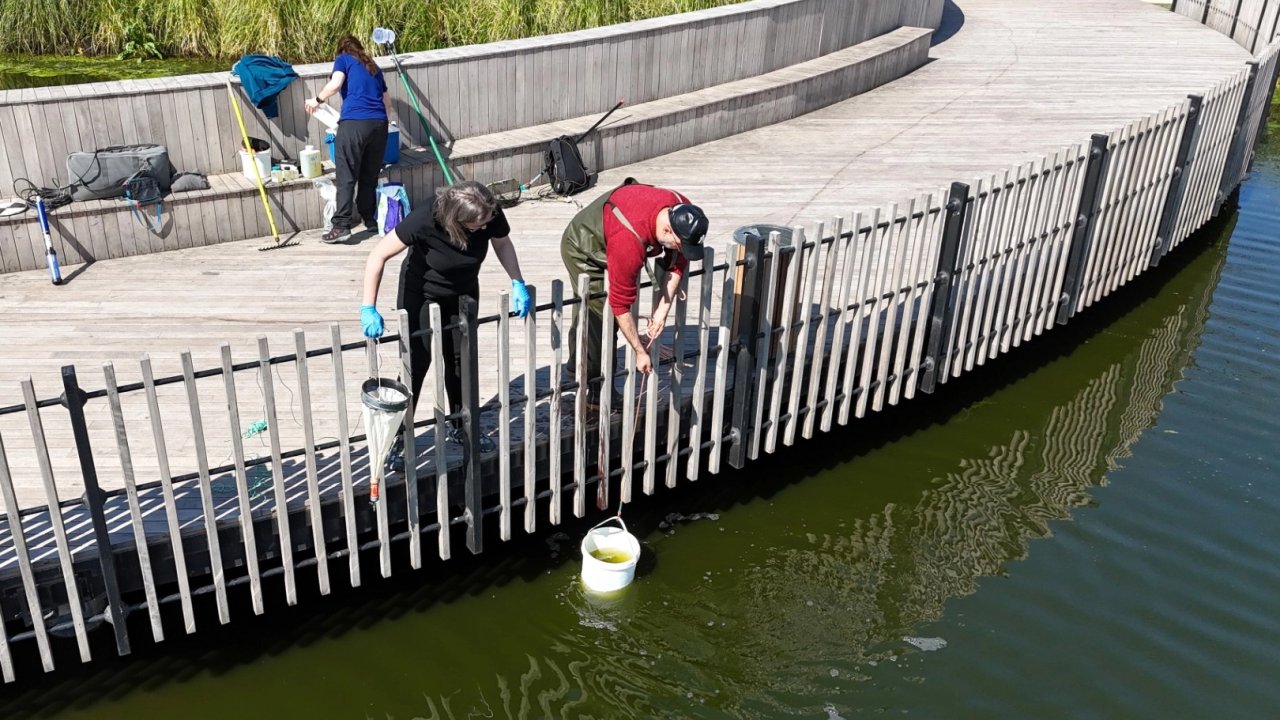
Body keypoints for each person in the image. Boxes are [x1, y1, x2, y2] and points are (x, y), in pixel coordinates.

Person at [361, 181, 531, 455]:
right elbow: (378, 255)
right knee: (417, 362)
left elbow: (502, 242)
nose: (486, 227)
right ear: (459, 221)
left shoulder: (488, 211)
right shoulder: (425, 218)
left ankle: (459, 426)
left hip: (463, 292)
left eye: (489, 220)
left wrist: (517, 281)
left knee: (459, 360)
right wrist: (368, 306)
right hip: (422, 292)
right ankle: (400, 438)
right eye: (480, 225)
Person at [560, 179, 708, 409]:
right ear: (668, 229)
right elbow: (620, 305)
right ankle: (599, 392)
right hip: (583, 245)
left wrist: (661, 312)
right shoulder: (629, 241)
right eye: (680, 245)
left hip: (617, 227)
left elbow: (678, 262)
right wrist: (640, 351)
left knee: (589, 311)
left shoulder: (682, 208)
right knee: (599, 317)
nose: (682, 250)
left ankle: (577, 362)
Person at [305, 35, 393, 244]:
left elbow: (335, 85)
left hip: (354, 123)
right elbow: (387, 103)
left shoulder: (343, 59)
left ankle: (341, 226)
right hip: (379, 126)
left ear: (342, 49)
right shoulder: (373, 66)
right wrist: (381, 124)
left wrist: (316, 100)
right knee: (369, 176)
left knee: (346, 176)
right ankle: (370, 219)